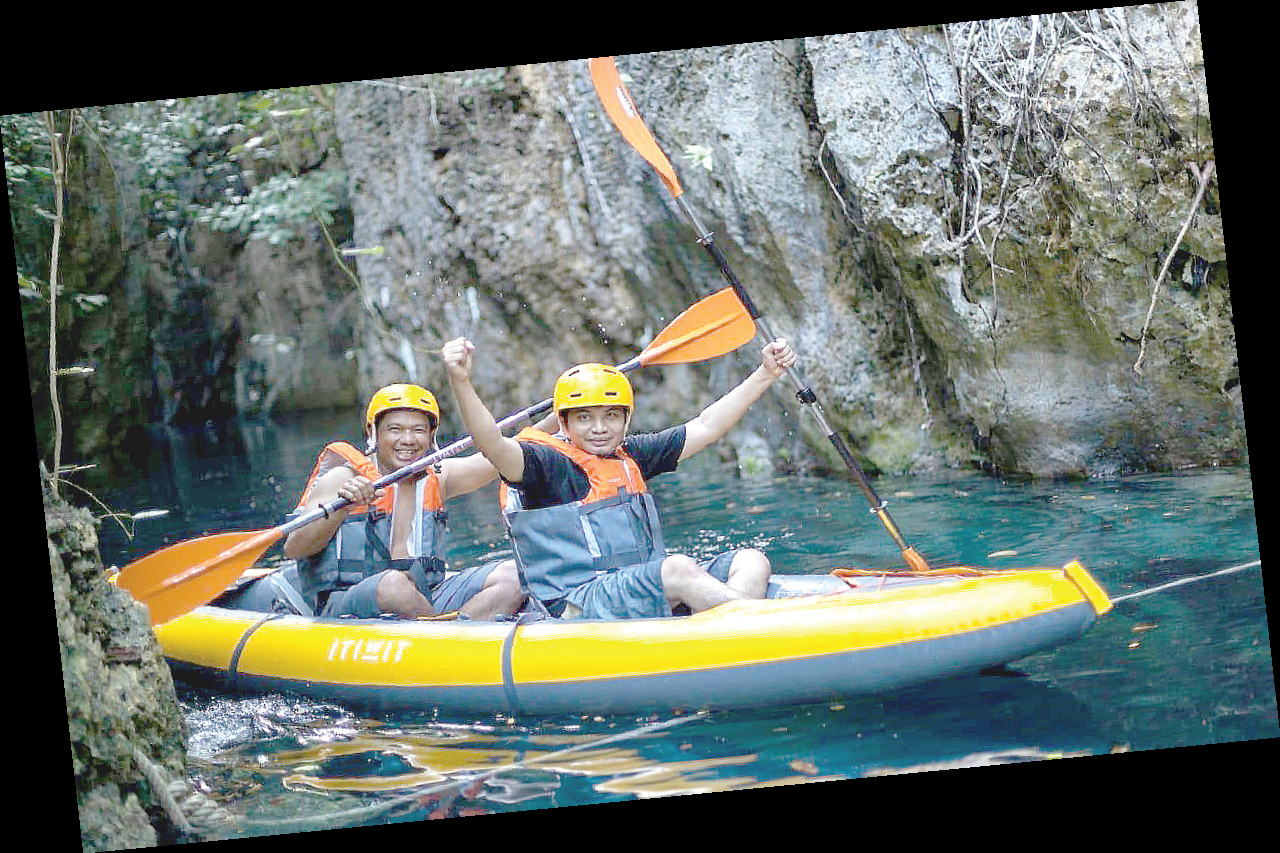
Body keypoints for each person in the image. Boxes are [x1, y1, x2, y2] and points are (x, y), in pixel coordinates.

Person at [443, 335, 797, 619]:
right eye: (584, 418)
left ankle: (726, 632)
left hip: (633, 588)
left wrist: (765, 374)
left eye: (612, 416)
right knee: (676, 569)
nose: (599, 429)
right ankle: (760, 623)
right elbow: (492, 443)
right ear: (562, 423)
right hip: (577, 603)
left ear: (627, 419)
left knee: (750, 559)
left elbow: (707, 426)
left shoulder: (632, 454)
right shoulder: (545, 466)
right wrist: (461, 382)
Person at [281, 383, 524, 620]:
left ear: (431, 436)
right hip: (347, 600)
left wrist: (553, 421)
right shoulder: (342, 478)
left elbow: (503, 453)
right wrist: (341, 509)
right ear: (373, 432)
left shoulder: (439, 477)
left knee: (514, 575)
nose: (408, 440)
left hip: (425, 597)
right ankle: (445, 637)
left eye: (418, 430)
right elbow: (294, 548)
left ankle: (448, 635)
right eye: (395, 429)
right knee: (394, 584)